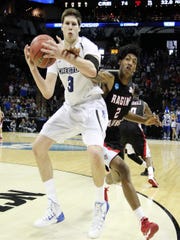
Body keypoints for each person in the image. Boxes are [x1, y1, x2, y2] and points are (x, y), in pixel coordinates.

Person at [24, 7, 109, 237]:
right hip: (70, 108)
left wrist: (65, 56)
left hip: (92, 107)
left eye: (74, 24)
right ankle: (54, 208)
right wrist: (34, 69)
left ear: (79, 28)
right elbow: (48, 92)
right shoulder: (53, 54)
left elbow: (92, 71)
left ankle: (101, 205)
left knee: (94, 153)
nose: (70, 27)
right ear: (61, 27)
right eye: (67, 24)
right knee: (38, 147)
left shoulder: (88, 47)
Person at [93, 44, 160, 239]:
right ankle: (144, 222)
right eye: (127, 59)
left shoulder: (131, 89)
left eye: (134, 61)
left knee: (116, 178)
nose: (131, 63)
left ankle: (104, 186)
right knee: (125, 170)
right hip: (99, 133)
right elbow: (89, 74)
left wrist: (145, 120)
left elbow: (124, 114)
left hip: (115, 135)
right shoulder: (108, 77)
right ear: (120, 61)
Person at [118, 84, 158, 187]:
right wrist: (157, 121)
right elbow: (151, 118)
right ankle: (151, 176)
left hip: (121, 129)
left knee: (122, 154)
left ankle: (119, 175)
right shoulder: (143, 104)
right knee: (147, 155)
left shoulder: (124, 101)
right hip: (135, 129)